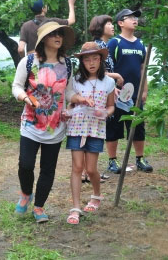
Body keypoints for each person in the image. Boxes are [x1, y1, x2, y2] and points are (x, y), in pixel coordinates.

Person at [11, 21, 91, 223]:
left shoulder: (68, 64)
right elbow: (17, 86)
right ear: (43, 38)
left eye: (60, 34)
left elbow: (69, 91)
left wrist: (78, 99)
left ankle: (39, 207)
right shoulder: (29, 62)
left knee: (48, 169)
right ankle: (25, 193)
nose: (58, 37)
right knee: (26, 164)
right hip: (31, 123)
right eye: (53, 33)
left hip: (55, 126)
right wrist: (26, 98)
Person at [65, 42, 115, 225]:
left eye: (95, 59)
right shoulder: (76, 79)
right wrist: (73, 105)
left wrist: (106, 113)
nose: (91, 63)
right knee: (77, 167)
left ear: (101, 60)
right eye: (87, 59)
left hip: (96, 128)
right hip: (77, 126)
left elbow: (111, 106)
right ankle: (75, 208)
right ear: (82, 62)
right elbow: (70, 99)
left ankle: (96, 195)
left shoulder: (109, 82)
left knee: (91, 169)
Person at [105, 8, 152, 173]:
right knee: (114, 128)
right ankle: (112, 161)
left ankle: (139, 159)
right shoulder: (114, 43)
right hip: (117, 94)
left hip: (135, 95)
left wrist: (144, 90)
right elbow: (106, 68)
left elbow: (142, 68)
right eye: (130, 17)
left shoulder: (140, 44)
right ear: (120, 23)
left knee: (138, 127)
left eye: (136, 17)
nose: (135, 20)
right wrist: (111, 89)